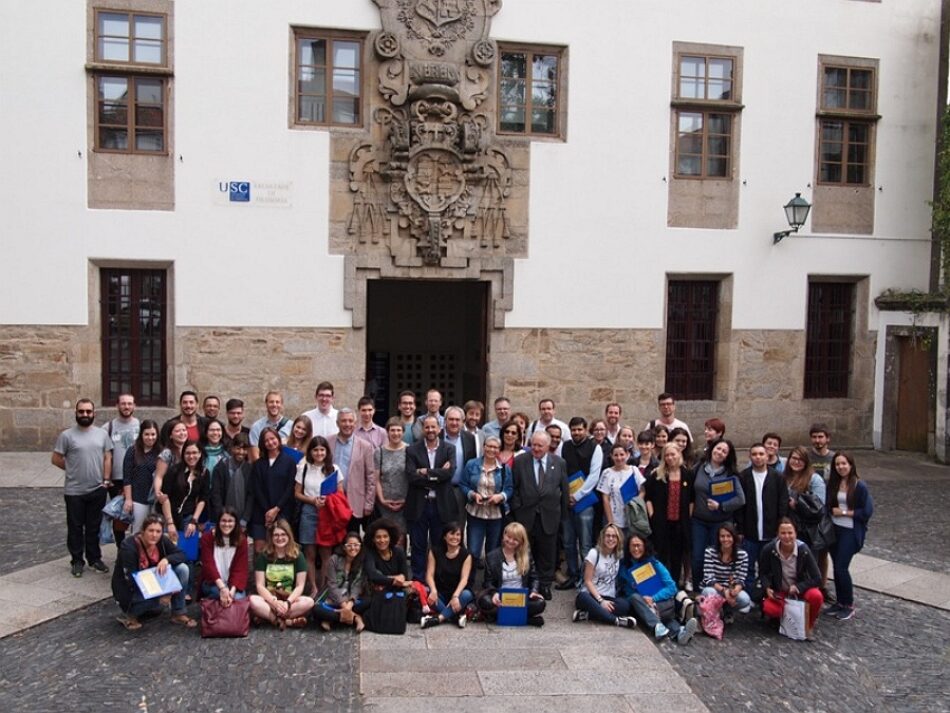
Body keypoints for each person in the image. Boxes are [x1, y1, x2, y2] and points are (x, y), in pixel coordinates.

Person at [52, 398, 113, 577]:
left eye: (88, 411)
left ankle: (95, 558)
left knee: (94, 527)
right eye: (81, 411)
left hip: (97, 489)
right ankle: (77, 560)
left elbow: (107, 456)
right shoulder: (67, 436)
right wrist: (71, 469)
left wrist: (106, 480)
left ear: (93, 413)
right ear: (76, 413)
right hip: (74, 491)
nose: (85, 414)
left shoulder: (101, 434)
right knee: (75, 527)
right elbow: (56, 459)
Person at [510, 431, 569, 600]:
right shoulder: (521, 461)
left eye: (539, 446)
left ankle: (544, 585)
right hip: (525, 515)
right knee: (524, 552)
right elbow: (514, 487)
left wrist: (563, 516)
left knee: (547, 552)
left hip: (549, 515)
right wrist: (517, 509)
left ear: (548, 446)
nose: (535, 448)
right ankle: (525, 583)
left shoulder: (559, 463)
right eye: (533, 444)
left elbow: (564, 490)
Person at [112, 513, 196, 630]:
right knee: (156, 603)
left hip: (153, 582)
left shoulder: (162, 540)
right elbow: (131, 580)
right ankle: (129, 615)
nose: (154, 535)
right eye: (150, 531)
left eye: (158, 531)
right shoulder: (129, 547)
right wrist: (161, 592)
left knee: (183, 569)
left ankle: (178, 613)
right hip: (131, 590)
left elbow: (182, 554)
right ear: (142, 531)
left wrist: (166, 559)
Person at [405, 415, 457, 580]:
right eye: (427, 427)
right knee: (418, 545)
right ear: (422, 429)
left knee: (438, 545)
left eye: (433, 427)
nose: (430, 430)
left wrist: (426, 472)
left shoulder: (449, 449)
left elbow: (449, 474)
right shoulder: (412, 449)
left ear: (439, 429)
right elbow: (412, 477)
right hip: (420, 504)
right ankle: (418, 581)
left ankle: (436, 580)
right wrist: (437, 475)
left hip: (440, 504)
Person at [620, 534, 698, 644]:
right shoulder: (624, 568)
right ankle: (678, 632)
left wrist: (653, 598)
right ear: (628, 548)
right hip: (643, 605)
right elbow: (627, 591)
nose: (636, 549)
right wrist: (644, 598)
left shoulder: (655, 563)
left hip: (662, 603)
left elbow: (672, 587)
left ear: (644, 546)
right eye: (633, 546)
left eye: (638, 545)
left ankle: (659, 626)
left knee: (662, 614)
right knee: (634, 598)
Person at [690, 438, 745, 590]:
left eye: (724, 451)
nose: (719, 452)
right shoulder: (699, 468)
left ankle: (718, 592)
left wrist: (721, 506)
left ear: (728, 456)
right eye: (718, 448)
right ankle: (698, 591)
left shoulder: (730, 474)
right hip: (699, 521)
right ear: (712, 448)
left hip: (720, 523)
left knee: (718, 559)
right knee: (697, 557)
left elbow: (741, 499)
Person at [825, 452, 873, 620]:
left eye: (844, 464)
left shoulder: (859, 486)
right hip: (834, 530)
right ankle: (840, 602)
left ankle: (849, 604)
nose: (841, 467)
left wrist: (844, 512)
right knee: (837, 568)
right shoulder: (833, 483)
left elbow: (866, 512)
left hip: (850, 532)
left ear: (851, 465)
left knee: (841, 567)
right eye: (837, 464)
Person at [559, 416, 605, 591]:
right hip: (567, 501)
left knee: (585, 543)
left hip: (585, 501)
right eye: (574, 430)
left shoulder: (596, 448)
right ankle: (573, 574)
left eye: (580, 429)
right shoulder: (566, 446)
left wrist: (577, 496)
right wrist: (567, 496)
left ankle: (587, 579)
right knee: (569, 541)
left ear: (586, 430)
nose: (577, 432)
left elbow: (594, 476)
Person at [294, 435, 344, 593]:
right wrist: (312, 500)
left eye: (322, 449)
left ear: (327, 451)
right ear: (310, 451)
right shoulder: (304, 467)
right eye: (315, 449)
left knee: (326, 553)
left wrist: (328, 500)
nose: (319, 453)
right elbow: (297, 493)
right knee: (309, 552)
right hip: (309, 511)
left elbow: (341, 493)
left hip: (327, 513)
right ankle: (313, 587)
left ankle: (324, 587)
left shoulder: (334, 469)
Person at [758, 518, 824, 634]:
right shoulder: (769, 549)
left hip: (800, 591)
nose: (787, 537)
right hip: (780, 591)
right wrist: (767, 587)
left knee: (816, 596)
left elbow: (817, 578)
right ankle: (783, 619)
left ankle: (808, 625)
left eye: (790, 533)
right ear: (777, 534)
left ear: (795, 534)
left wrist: (799, 587)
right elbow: (762, 573)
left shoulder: (804, 550)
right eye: (783, 533)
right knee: (769, 608)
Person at [738, 443, 789, 589]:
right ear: (750, 456)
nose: (758, 457)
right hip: (750, 532)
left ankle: (767, 594)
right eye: (754, 454)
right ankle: (749, 593)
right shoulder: (743, 476)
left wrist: (780, 526)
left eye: (761, 454)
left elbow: (783, 503)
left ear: (767, 456)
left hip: (770, 531)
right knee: (748, 566)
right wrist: (740, 529)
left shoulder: (778, 477)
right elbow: (740, 506)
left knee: (768, 566)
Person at [248, 519, 314, 628]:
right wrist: (274, 603)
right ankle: (285, 621)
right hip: (269, 599)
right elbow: (260, 585)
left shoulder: (298, 556)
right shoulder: (263, 556)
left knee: (309, 601)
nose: (280, 538)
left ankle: (270, 618)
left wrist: (287, 603)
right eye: (276, 535)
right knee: (252, 600)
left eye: (283, 534)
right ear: (271, 537)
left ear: (289, 536)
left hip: (289, 599)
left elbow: (300, 586)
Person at [477, 522, 546, 626]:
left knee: (540, 603)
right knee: (485, 601)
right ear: (504, 535)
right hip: (501, 598)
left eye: (515, 539)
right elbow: (488, 582)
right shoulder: (492, 556)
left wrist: (534, 591)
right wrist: (494, 593)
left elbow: (534, 577)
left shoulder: (526, 555)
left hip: (521, 597)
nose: (510, 541)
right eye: (508, 537)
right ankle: (526, 620)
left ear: (521, 541)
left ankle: (501, 616)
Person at [459, 435, 512, 571]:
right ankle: (470, 580)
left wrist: (501, 496)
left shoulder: (505, 469)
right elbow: (463, 484)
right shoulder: (472, 464)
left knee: (492, 551)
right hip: (475, 513)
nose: (492, 449)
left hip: (496, 515)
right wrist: (472, 494)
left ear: (499, 450)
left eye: (495, 447)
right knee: (473, 550)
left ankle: (489, 582)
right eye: (489, 446)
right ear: (484, 447)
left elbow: (509, 489)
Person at [643, 444, 693, 586]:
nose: (670, 458)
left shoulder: (688, 474)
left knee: (677, 556)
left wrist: (687, 518)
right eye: (667, 455)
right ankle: (660, 584)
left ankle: (674, 585)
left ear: (679, 454)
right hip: (661, 523)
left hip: (680, 523)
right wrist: (652, 514)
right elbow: (648, 496)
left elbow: (691, 499)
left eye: (673, 454)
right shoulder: (657, 474)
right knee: (661, 555)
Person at [571, 524, 636, 628]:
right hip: (592, 596)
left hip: (609, 596)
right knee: (583, 597)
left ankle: (588, 614)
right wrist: (601, 601)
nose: (611, 539)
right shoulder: (594, 553)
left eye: (614, 536)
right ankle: (616, 621)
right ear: (603, 537)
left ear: (618, 539)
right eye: (608, 536)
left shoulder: (618, 555)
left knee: (625, 605)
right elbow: (587, 581)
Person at [328, 408, 377, 533]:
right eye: (343, 421)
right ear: (337, 423)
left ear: (355, 424)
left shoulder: (365, 446)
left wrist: (369, 503)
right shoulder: (328, 442)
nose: (347, 424)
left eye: (350, 421)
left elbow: (371, 477)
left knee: (352, 539)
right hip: (333, 500)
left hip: (355, 502)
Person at [249, 427, 298, 552]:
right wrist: (268, 512)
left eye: (273, 439)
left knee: (280, 549)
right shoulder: (258, 464)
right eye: (266, 440)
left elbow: (289, 488)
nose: (270, 443)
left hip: (283, 511)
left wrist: (276, 509)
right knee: (259, 550)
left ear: (278, 439)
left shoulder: (289, 462)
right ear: (262, 443)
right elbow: (257, 489)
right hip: (261, 513)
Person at [420, 522, 475, 629]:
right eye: (452, 534)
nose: (455, 537)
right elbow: (429, 575)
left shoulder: (466, 555)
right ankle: (454, 617)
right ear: (445, 536)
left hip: (458, 593)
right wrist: (434, 590)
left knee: (467, 594)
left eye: (458, 535)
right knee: (426, 594)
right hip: (439, 592)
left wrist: (455, 596)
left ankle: (438, 619)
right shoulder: (434, 551)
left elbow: (464, 579)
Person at [313, 532, 368, 632]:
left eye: (356, 545)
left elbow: (357, 586)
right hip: (333, 598)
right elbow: (332, 585)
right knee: (317, 610)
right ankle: (355, 618)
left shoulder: (362, 562)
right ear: (343, 547)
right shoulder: (334, 560)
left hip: (352, 600)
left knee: (369, 602)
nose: (353, 548)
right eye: (349, 545)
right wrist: (344, 605)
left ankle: (331, 619)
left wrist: (349, 604)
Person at [103, 393, 139, 543]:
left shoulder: (141, 426)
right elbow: (105, 455)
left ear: (134, 406)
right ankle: (121, 547)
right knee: (120, 515)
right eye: (123, 403)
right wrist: (106, 478)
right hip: (117, 478)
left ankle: (138, 545)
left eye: (130, 403)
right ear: (117, 406)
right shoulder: (108, 427)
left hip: (137, 477)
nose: (126, 406)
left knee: (138, 513)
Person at [700, 522, 752, 626]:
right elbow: (709, 578)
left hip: (731, 588)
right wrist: (724, 591)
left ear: (734, 537)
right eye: (722, 536)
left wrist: (734, 591)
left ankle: (728, 610)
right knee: (708, 592)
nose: (725, 539)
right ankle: (714, 613)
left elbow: (741, 579)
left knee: (745, 599)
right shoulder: (710, 552)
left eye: (728, 536)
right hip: (715, 588)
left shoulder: (742, 555)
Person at [159, 440, 210, 541]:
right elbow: (165, 497)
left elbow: (202, 499)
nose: (191, 456)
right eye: (188, 453)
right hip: (169, 514)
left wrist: (194, 521)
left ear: (200, 454)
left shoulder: (204, 473)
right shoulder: (174, 470)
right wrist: (170, 523)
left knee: (188, 545)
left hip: (189, 515)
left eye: (194, 453)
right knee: (169, 544)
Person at [198, 507, 249, 604]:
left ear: (235, 523)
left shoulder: (242, 541)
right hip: (213, 582)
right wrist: (222, 588)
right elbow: (209, 566)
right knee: (220, 595)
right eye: (223, 521)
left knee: (238, 598)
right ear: (218, 522)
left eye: (230, 521)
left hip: (232, 583)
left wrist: (231, 591)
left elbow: (240, 569)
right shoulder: (207, 538)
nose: (227, 524)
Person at [122, 419, 160, 535]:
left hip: (156, 499)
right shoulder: (132, 451)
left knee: (155, 531)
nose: (150, 437)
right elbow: (127, 477)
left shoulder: (161, 452)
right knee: (138, 531)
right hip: (138, 498)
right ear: (141, 435)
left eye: (153, 434)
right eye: (147, 434)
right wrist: (128, 499)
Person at [598, 442, 644, 533]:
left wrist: (635, 504)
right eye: (616, 455)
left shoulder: (634, 470)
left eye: (622, 454)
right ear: (611, 456)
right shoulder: (607, 473)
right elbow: (605, 498)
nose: (619, 458)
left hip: (632, 518)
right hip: (614, 517)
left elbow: (642, 491)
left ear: (627, 455)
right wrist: (611, 522)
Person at [209, 432, 253, 526]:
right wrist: (221, 517)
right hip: (223, 519)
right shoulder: (221, 467)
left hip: (243, 521)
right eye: (238, 448)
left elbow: (251, 495)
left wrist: (245, 519)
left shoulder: (249, 469)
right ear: (232, 448)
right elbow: (216, 494)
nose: (241, 452)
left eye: (244, 449)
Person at [152, 421, 188, 536]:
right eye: (177, 431)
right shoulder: (167, 453)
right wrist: (158, 493)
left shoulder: (190, 450)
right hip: (169, 497)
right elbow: (159, 476)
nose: (182, 433)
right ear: (171, 435)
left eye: (184, 430)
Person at [442, 405, 477, 519]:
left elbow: (472, 464)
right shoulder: (436, 436)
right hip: (440, 489)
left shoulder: (469, 438)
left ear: (463, 422)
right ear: (445, 420)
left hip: (461, 490)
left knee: (458, 528)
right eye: (451, 419)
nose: (454, 423)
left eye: (457, 420)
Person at [376, 417, 409, 533]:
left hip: (404, 502)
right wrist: (382, 500)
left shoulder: (410, 451)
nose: (396, 433)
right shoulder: (379, 452)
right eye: (393, 430)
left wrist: (406, 500)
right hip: (384, 504)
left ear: (403, 432)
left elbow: (412, 478)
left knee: (401, 537)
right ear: (387, 432)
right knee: (385, 536)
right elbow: (376, 480)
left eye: (399, 430)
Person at [363, 518, 411, 594]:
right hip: (377, 594)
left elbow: (404, 577)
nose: (382, 540)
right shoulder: (370, 553)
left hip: (397, 592)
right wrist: (393, 579)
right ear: (373, 539)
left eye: (385, 536)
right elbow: (373, 576)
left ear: (390, 537)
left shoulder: (399, 552)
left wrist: (383, 580)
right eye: (378, 537)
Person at [248, 391, 292, 461]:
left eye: (277, 402)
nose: (274, 405)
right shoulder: (256, 427)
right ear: (266, 404)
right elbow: (255, 455)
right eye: (271, 402)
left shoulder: (291, 426)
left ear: (281, 405)